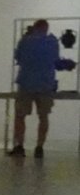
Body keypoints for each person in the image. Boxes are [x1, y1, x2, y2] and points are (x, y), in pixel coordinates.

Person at [11, 19, 61, 158]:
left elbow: (18, 58)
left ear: (34, 27)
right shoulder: (52, 42)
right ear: (46, 28)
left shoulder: (25, 41)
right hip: (45, 84)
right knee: (43, 116)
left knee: (20, 116)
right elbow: (55, 59)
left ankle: (20, 146)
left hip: (26, 83)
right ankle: (39, 147)